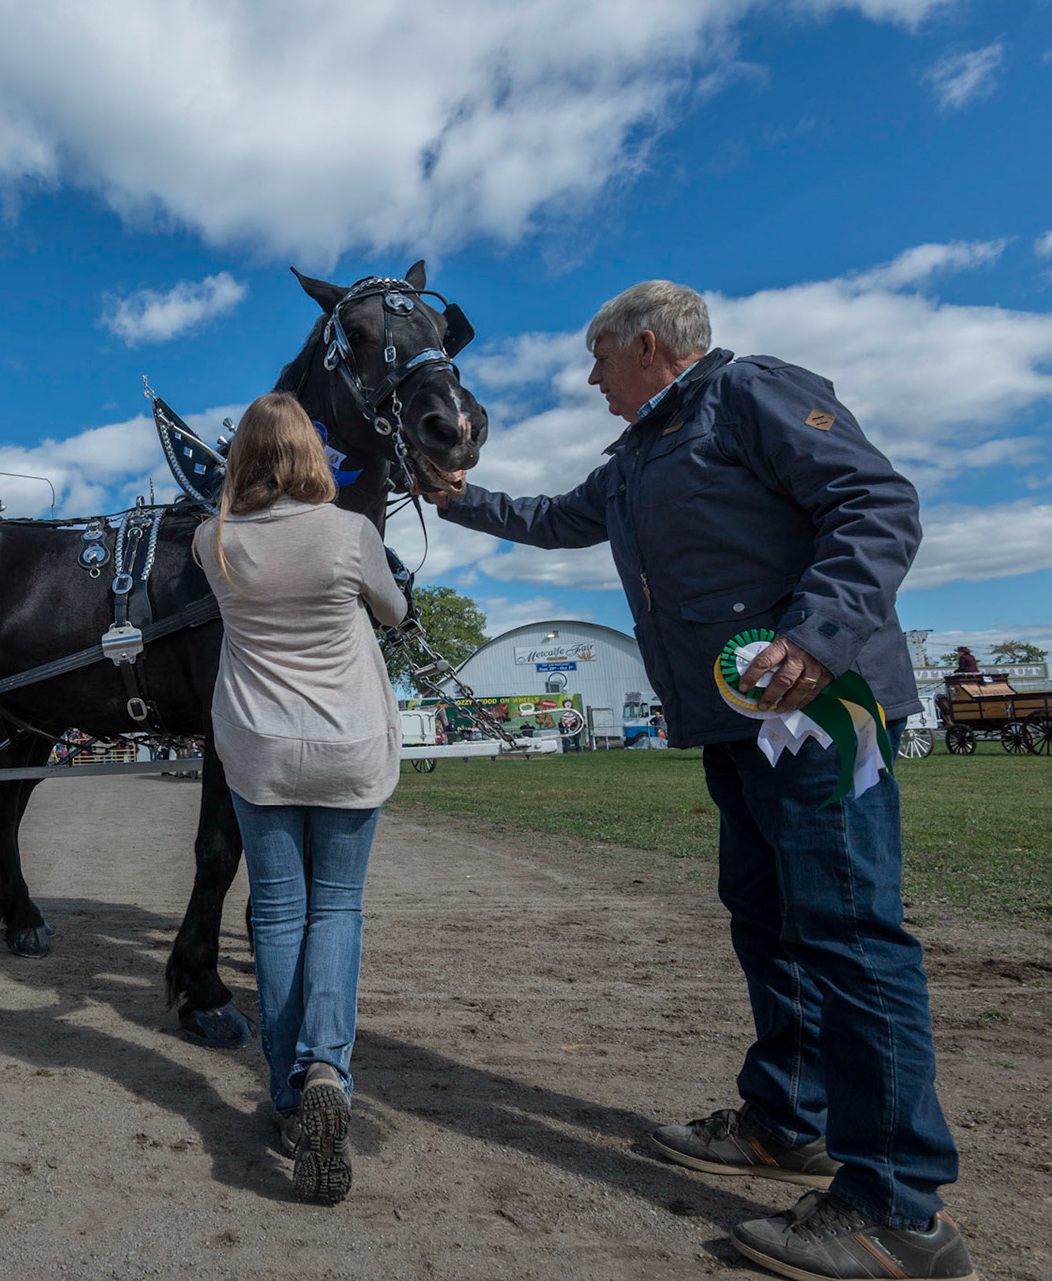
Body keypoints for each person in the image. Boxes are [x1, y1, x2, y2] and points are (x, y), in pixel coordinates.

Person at [422, 281, 971, 1281]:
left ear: (644, 344)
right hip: (738, 729)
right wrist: (461, 503)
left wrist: (816, 634)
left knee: (850, 934)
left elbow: (877, 500)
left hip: (821, 710)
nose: (589, 380)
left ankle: (895, 1209)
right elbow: (553, 518)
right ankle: (782, 1121)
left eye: (597, 359)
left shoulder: (751, 393)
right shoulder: (637, 456)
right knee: (768, 922)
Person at [193, 391, 407, 1206]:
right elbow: (390, 610)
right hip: (348, 744)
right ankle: (329, 1070)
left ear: (242, 456)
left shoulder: (210, 540)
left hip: (260, 747)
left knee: (276, 912)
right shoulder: (352, 534)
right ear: (312, 457)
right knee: (337, 909)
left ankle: (288, 1093)